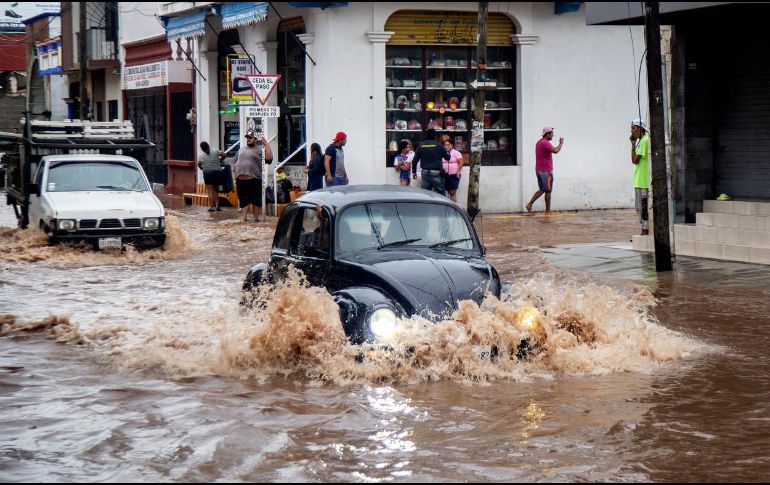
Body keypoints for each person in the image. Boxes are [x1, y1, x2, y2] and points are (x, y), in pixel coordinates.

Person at [234, 130, 273, 222]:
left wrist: (266, 144)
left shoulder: (260, 149)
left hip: (254, 179)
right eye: (247, 137)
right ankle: (244, 218)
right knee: (243, 200)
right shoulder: (241, 149)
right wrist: (234, 168)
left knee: (256, 200)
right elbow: (234, 160)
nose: (248, 139)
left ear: (255, 139)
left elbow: (269, 157)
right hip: (240, 179)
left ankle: (256, 218)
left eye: (250, 138)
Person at [526, 126, 564, 213]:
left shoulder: (539, 142)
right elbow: (556, 150)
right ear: (547, 134)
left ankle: (547, 210)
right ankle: (530, 204)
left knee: (545, 189)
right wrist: (561, 143)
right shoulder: (544, 143)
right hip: (545, 171)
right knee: (546, 190)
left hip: (540, 170)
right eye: (552, 134)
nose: (553, 135)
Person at [412, 128, 450, 196]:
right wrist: (448, 151)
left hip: (425, 173)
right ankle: (442, 206)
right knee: (441, 194)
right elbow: (447, 158)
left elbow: (415, 160)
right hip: (437, 173)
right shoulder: (439, 145)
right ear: (435, 136)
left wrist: (414, 172)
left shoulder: (421, 145)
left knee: (426, 194)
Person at [630, 118, 650, 235]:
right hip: (639, 180)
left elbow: (635, 160)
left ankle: (645, 229)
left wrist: (633, 145)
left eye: (633, 128)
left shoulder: (645, 140)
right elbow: (634, 160)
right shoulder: (641, 141)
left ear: (639, 128)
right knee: (639, 207)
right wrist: (633, 144)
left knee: (643, 206)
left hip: (643, 181)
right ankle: (643, 228)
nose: (631, 131)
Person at [197, 141, 226, 212]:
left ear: (202, 149)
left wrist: (202, 168)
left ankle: (212, 208)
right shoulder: (215, 151)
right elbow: (224, 154)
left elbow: (199, 164)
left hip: (207, 174)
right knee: (216, 190)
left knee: (210, 191)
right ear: (208, 146)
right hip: (216, 173)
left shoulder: (200, 156)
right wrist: (220, 160)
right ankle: (217, 207)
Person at [441, 135, 464, 202]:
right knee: (443, 193)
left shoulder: (456, 153)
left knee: (452, 192)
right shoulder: (442, 153)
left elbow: (461, 162)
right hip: (444, 175)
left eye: (448, 145)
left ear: (452, 145)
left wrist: (458, 171)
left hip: (453, 175)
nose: (446, 146)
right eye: (445, 145)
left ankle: (453, 209)